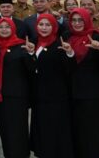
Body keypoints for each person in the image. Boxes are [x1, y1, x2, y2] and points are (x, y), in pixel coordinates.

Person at [29, 14, 75, 158]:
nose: (44, 28)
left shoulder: (59, 44)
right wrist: (30, 54)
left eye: (48, 25)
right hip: (38, 95)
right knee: (42, 129)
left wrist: (69, 53)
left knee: (56, 130)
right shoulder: (33, 42)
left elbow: (69, 69)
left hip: (56, 96)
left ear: (54, 27)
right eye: (41, 24)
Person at [0, 18, 34, 158]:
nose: (4, 30)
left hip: (18, 97)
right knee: (5, 130)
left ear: (13, 29)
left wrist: (30, 54)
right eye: (1, 27)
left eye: (7, 27)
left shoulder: (22, 46)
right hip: (1, 97)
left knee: (18, 130)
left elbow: (31, 70)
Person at [67, 8, 99, 157]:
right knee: (76, 130)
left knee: (92, 131)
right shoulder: (67, 36)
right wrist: (68, 54)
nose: (77, 23)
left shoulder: (96, 36)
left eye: (80, 20)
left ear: (87, 20)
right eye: (74, 20)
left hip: (92, 93)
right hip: (71, 91)